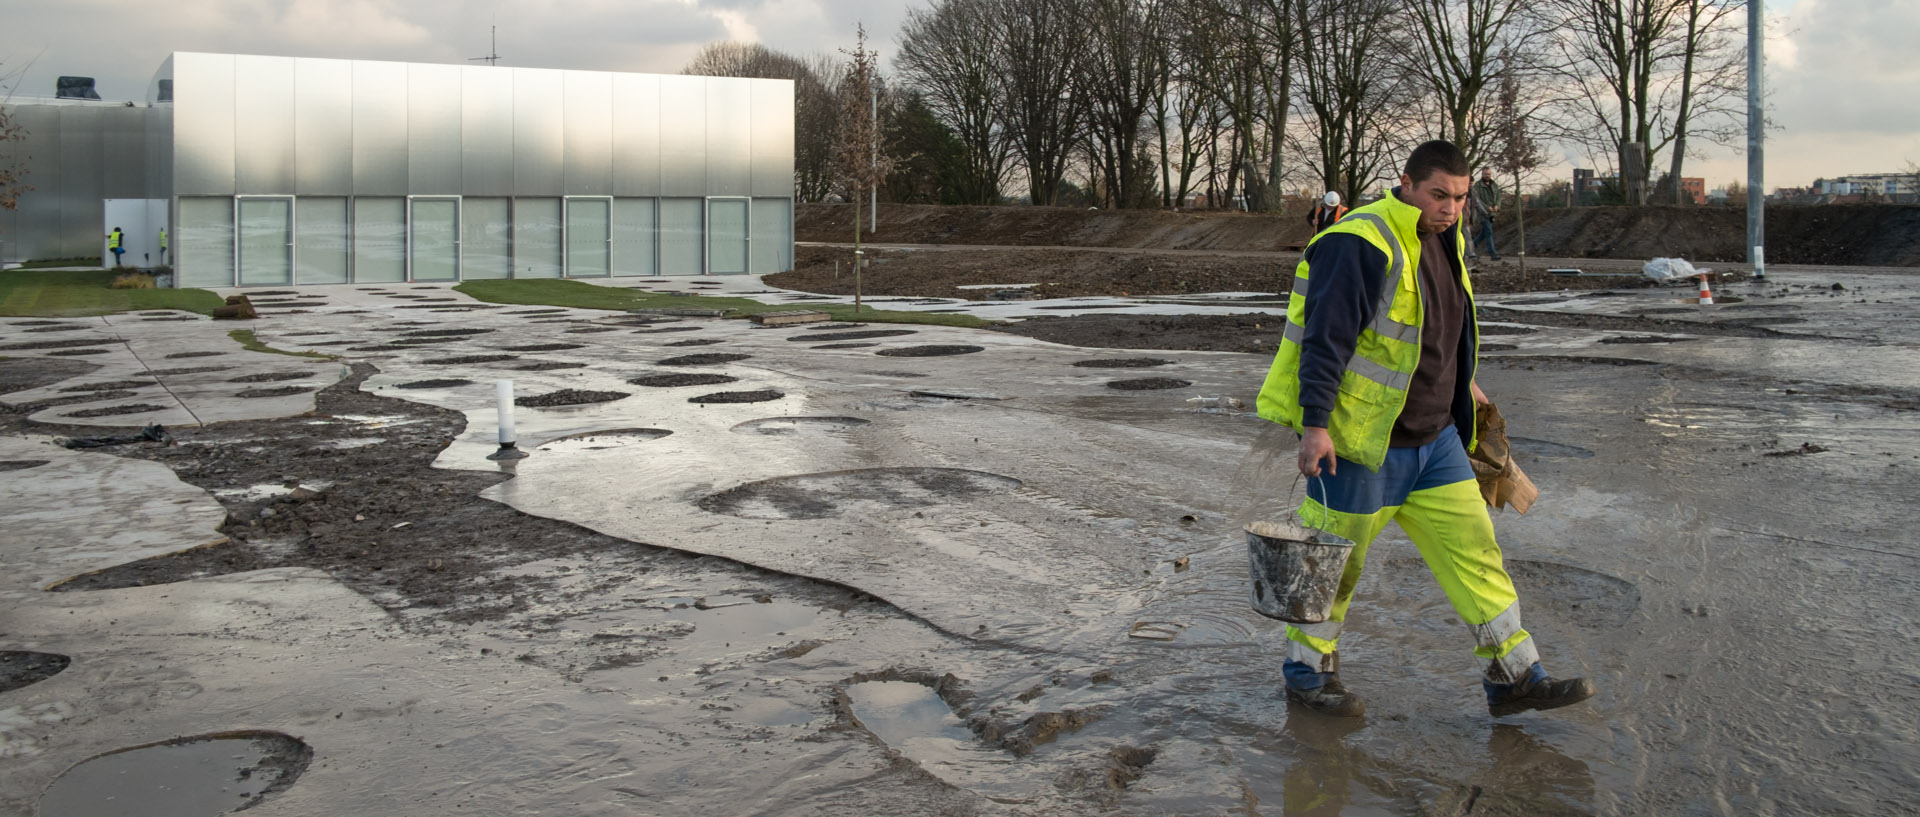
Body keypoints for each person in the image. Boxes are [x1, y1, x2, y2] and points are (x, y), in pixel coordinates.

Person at [1253, 140, 1595, 718]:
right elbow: (1324, 342)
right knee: (1336, 567)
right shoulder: (1357, 241)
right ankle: (1307, 675)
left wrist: (1467, 386)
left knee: (1477, 556)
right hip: (1362, 447)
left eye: (1460, 198)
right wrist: (1314, 426)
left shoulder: (1447, 239)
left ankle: (1515, 675)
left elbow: (1440, 328)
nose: (1452, 208)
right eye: (1440, 195)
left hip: (1437, 443)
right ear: (1406, 183)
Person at [1468, 168, 1501, 261]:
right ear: (1482, 174)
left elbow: (1499, 196)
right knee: (1489, 232)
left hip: (1492, 214)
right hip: (1482, 214)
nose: (1487, 176)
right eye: (1486, 174)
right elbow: (1478, 201)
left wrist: (1497, 205)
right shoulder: (1477, 187)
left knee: (1484, 233)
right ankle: (1493, 254)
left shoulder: (1494, 185)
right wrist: (1487, 208)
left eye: (1489, 174)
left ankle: (1470, 248)